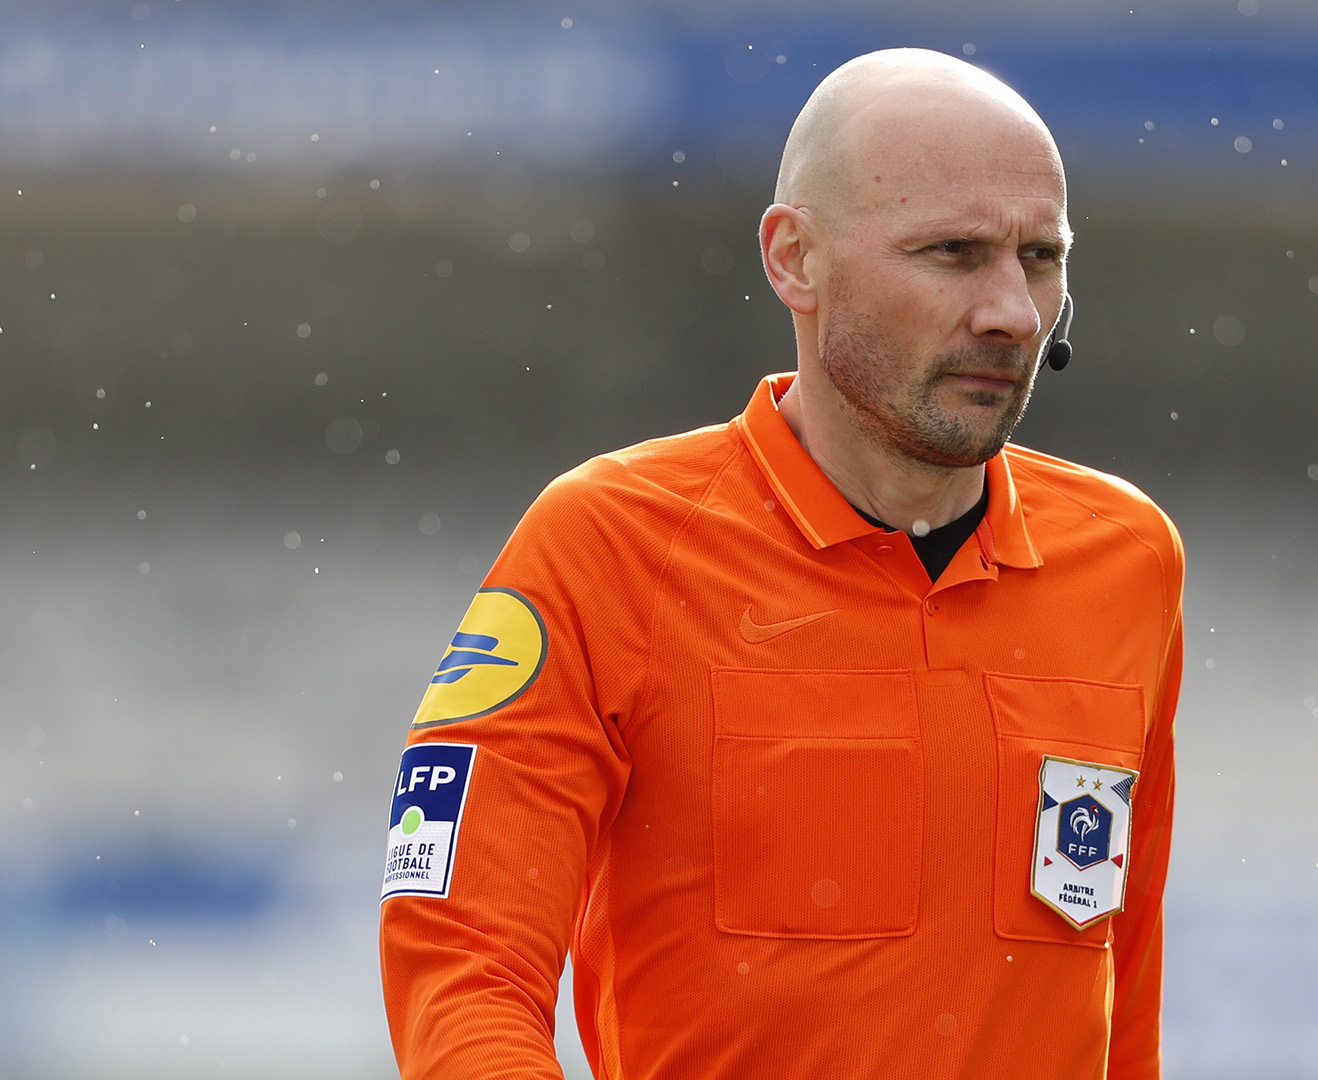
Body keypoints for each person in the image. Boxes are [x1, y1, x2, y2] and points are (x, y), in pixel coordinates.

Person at [379, 48, 1184, 1080]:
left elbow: (1127, 1000)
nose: (1013, 313)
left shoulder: (1128, 560)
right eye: (952, 252)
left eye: (1039, 256)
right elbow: (462, 962)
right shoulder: (609, 545)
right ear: (795, 259)